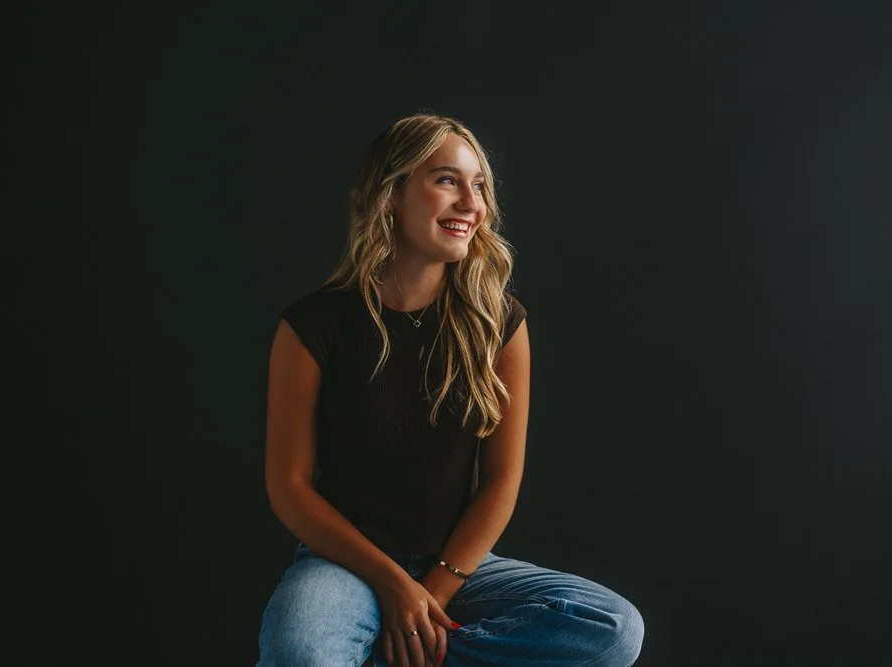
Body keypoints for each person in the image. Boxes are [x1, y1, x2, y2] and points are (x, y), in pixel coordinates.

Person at [256, 112, 645, 667]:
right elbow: (289, 487)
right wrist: (392, 584)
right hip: (342, 564)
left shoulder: (499, 323)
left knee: (613, 628)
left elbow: (501, 483)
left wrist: (428, 598)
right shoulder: (313, 326)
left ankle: (389, 654)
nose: (471, 203)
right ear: (391, 194)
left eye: (479, 185)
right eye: (446, 180)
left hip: (459, 568)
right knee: (300, 652)